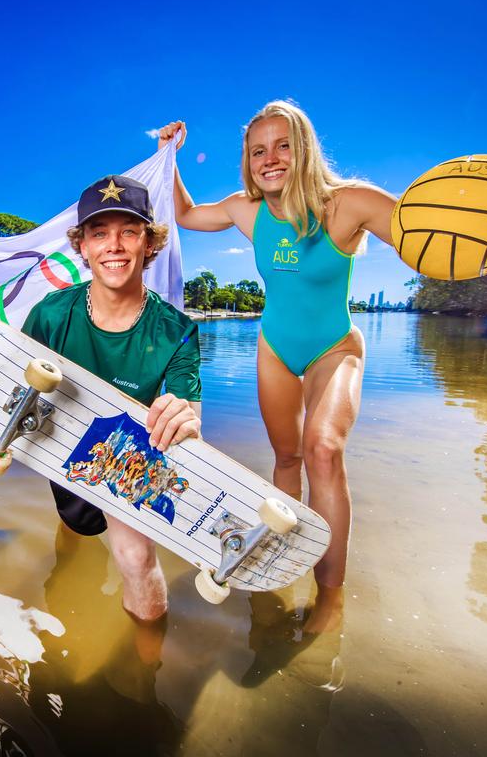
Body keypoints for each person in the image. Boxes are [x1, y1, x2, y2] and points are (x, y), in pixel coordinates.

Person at [157, 103, 397, 633]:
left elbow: (422, 238)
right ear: (248, 160)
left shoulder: (351, 203)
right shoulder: (247, 211)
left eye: (283, 145)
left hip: (334, 345)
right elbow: (187, 215)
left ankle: (330, 595)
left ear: (305, 148)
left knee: (323, 451)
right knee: (287, 458)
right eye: (258, 149)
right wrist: (167, 156)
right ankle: (282, 562)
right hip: (274, 349)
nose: (270, 159)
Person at [22, 175, 202, 622]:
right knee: (76, 527)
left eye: (128, 231)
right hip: (62, 444)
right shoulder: (49, 313)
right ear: (82, 246)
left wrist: (184, 419)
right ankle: (69, 559)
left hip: (126, 452)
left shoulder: (177, 331)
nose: (114, 245)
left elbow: (190, 417)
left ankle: (144, 673)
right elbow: (12, 387)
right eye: (99, 233)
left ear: (149, 242)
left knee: (137, 558)